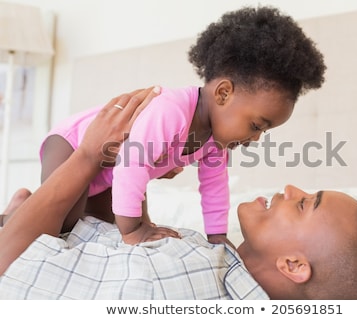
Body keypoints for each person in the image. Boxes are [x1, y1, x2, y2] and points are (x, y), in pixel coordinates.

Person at [0, 87, 357, 299]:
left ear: (293, 265)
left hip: (23, 238)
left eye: (305, 203)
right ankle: (20, 208)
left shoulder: (174, 283)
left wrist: (87, 156)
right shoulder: (213, 263)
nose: (289, 187)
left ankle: (19, 210)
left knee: (79, 212)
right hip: (74, 200)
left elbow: (8, 267)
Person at [0, 6, 326, 247]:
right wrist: (135, 229)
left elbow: (214, 188)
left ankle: (21, 208)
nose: (255, 139)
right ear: (224, 93)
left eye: (262, 133)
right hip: (74, 144)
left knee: (94, 227)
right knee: (64, 225)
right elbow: (133, 166)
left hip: (111, 170)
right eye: (256, 125)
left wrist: (217, 236)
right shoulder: (171, 110)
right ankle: (17, 210)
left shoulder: (215, 142)